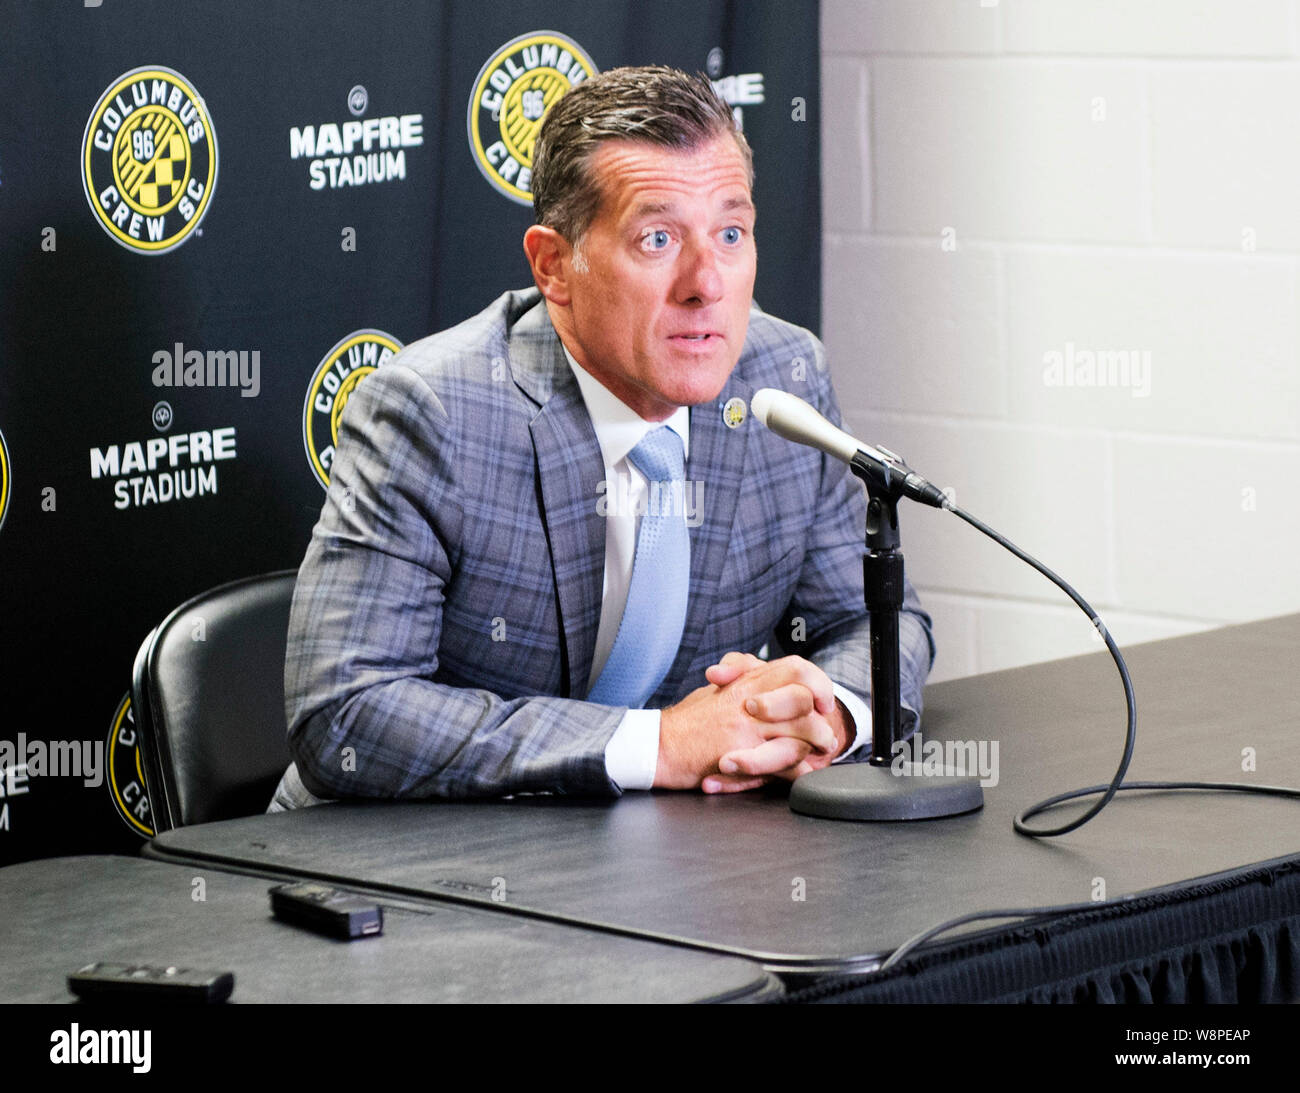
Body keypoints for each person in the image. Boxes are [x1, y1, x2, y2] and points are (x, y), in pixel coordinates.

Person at [269, 66, 933, 810]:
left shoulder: (783, 379)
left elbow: (872, 620)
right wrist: (663, 743)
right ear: (555, 265)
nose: (706, 282)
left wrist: (828, 711)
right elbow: (345, 711)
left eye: (731, 232)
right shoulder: (436, 412)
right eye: (657, 237)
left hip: (664, 866)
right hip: (408, 873)